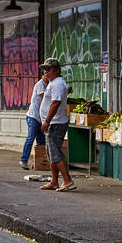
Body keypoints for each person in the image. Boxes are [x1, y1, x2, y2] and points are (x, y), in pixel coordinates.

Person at [38, 57, 76, 192]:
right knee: (51, 154)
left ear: (56, 70)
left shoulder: (58, 84)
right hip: (52, 123)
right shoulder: (52, 82)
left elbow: (55, 103)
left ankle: (67, 180)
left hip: (55, 123)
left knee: (55, 153)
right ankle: (54, 181)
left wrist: (47, 121)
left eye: (48, 69)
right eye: (44, 70)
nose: (45, 72)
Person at [20, 65, 47, 170]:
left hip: (41, 119)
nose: (47, 77)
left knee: (41, 142)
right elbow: (45, 99)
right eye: (46, 74)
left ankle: (38, 162)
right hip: (33, 117)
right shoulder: (40, 85)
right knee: (31, 138)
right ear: (43, 75)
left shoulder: (49, 85)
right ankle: (23, 160)